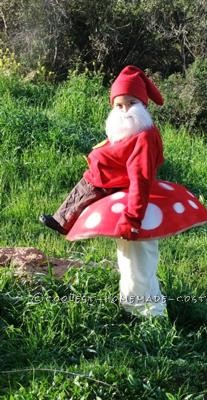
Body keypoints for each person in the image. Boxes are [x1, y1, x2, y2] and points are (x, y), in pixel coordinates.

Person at [40, 65, 168, 317]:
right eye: (118, 105)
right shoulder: (132, 130)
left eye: (131, 103)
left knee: (136, 257)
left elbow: (141, 178)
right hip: (103, 179)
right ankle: (134, 306)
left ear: (143, 104)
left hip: (113, 186)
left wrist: (132, 219)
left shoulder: (144, 137)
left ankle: (147, 312)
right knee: (126, 256)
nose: (124, 110)